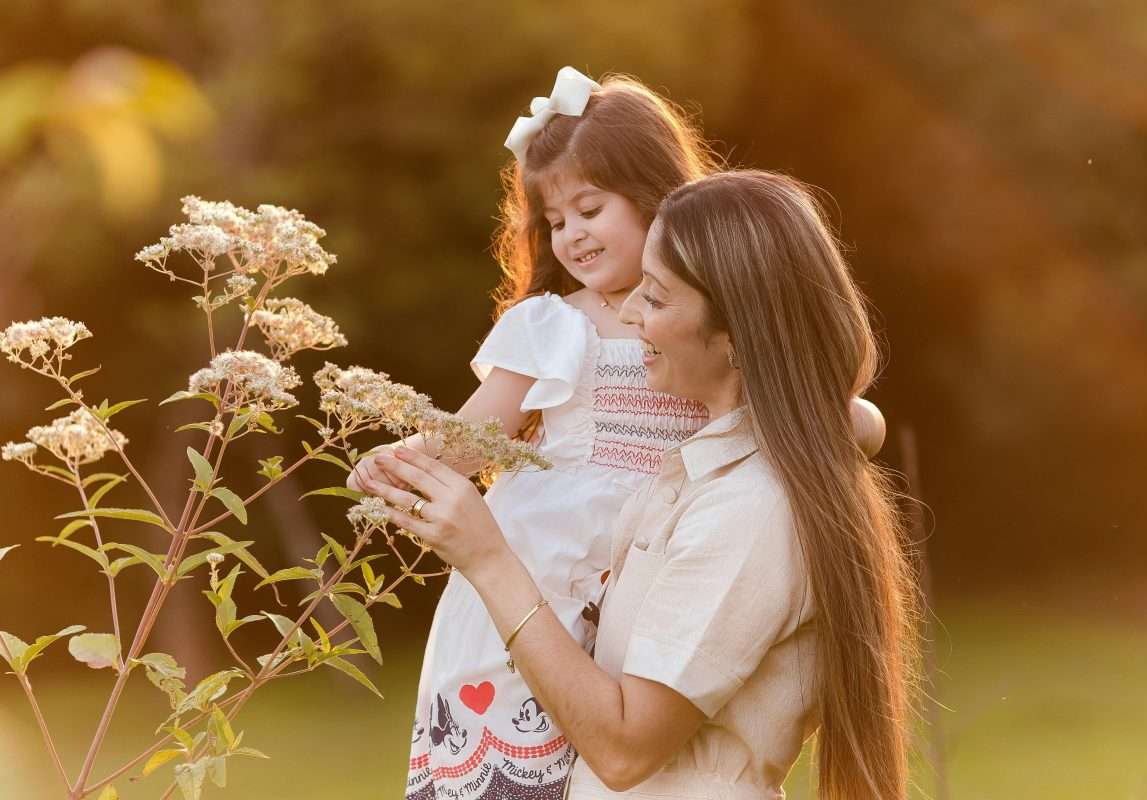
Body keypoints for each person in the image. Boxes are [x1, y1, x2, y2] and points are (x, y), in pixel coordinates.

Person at [364, 170, 919, 799]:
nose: (626, 314)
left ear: (736, 336)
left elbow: (626, 748)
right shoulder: (695, 473)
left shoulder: (750, 508)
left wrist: (488, 557)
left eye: (653, 298)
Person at [350, 66, 719, 799]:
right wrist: (400, 461)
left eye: (591, 208)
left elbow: (811, 409)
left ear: (657, 195)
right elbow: (470, 441)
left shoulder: (710, 319)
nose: (573, 235)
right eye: (555, 221)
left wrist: (849, 422)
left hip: (655, 574)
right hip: (541, 578)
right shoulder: (558, 324)